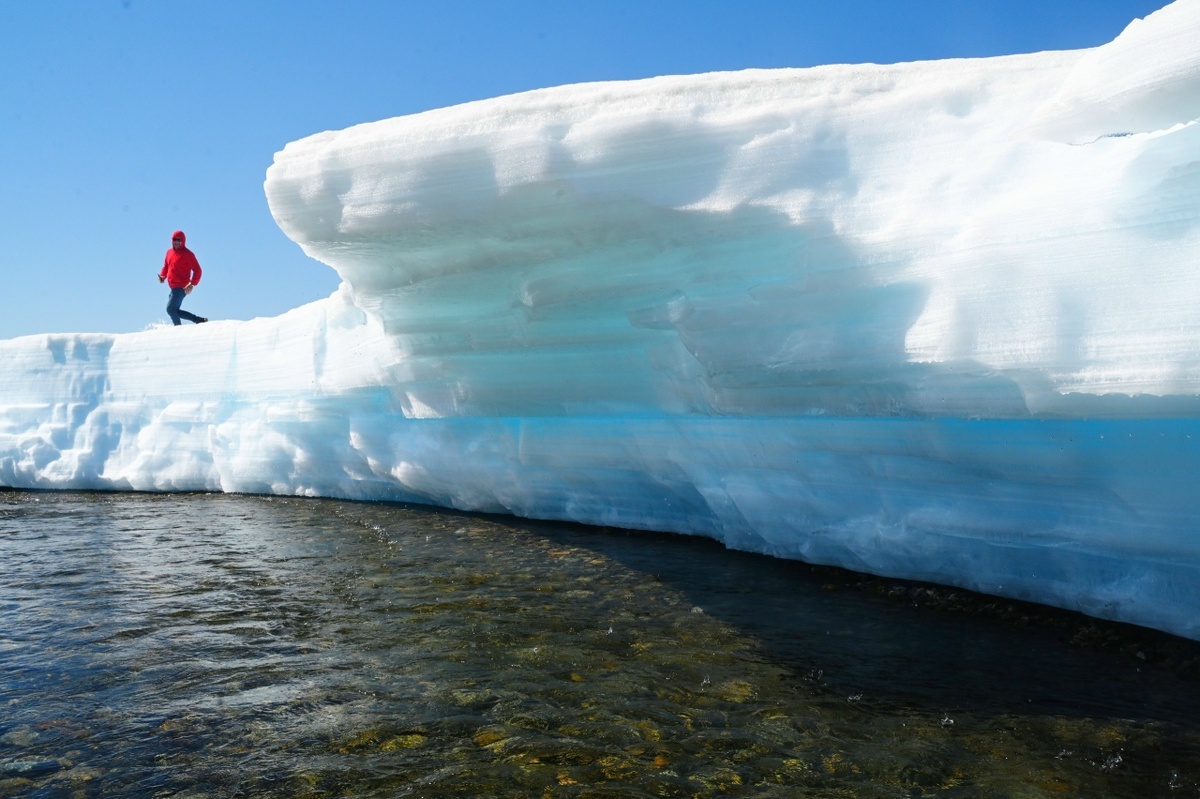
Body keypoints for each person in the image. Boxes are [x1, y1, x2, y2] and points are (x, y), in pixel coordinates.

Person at [158, 230, 208, 325]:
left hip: (182, 287)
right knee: (175, 310)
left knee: (170, 309)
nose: (176, 242)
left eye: (178, 240)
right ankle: (198, 320)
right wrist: (162, 276)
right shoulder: (169, 252)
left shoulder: (188, 254)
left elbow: (198, 270)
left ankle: (178, 328)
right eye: (174, 239)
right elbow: (166, 266)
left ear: (183, 241)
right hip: (173, 287)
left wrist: (192, 284)